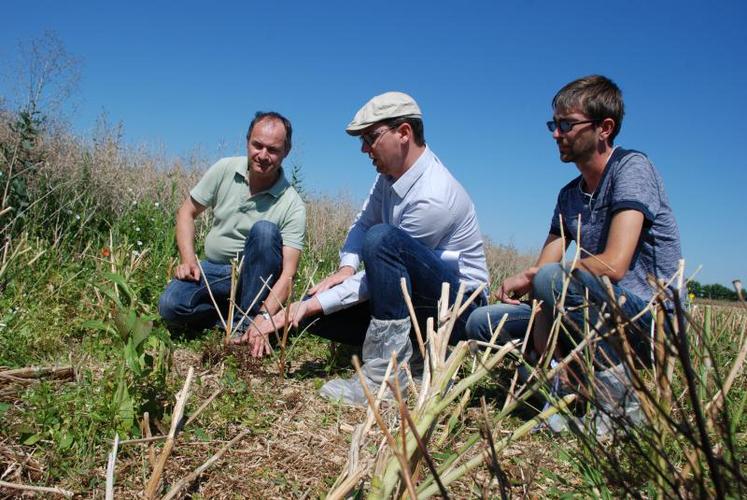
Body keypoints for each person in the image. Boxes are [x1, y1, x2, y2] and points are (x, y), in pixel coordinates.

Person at [466, 75, 683, 432]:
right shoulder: (569, 196)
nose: (556, 133)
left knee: (552, 280)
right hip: (593, 316)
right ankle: (557, 378)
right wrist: (536, 313)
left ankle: (619, 400)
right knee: (482, 322)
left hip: (647, 322)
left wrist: (534, 277)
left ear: (604, 128)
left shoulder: (632, 169)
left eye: (567, 124)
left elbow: (614, 264)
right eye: (555, 124)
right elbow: (545, 272)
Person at [260, 92, 489, 405]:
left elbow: (384, 262)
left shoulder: (433, 196)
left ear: (404, 133)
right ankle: (412, 355)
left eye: (371, 137)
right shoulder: (389, 175)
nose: (364, 149)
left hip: (457, 310)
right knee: (317, 312)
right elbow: (362, 224)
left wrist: (309, 305)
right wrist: (345, 268)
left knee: (382, 241)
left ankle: (387, 373)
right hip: (410, 296)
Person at [158, 112, 306, 355]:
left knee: (265, 231)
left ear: (286, 152)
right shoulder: (224, 169)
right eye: (257, 145)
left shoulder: (292, 204)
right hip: (214, 270)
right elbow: (186, 213)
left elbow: (288, 274)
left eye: (273, 149)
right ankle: (235, 320)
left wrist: (264, 313)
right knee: (170, 306)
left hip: (255, 281)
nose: (263, 155)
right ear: (247, 141)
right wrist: (188, 260)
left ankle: (250, 323)